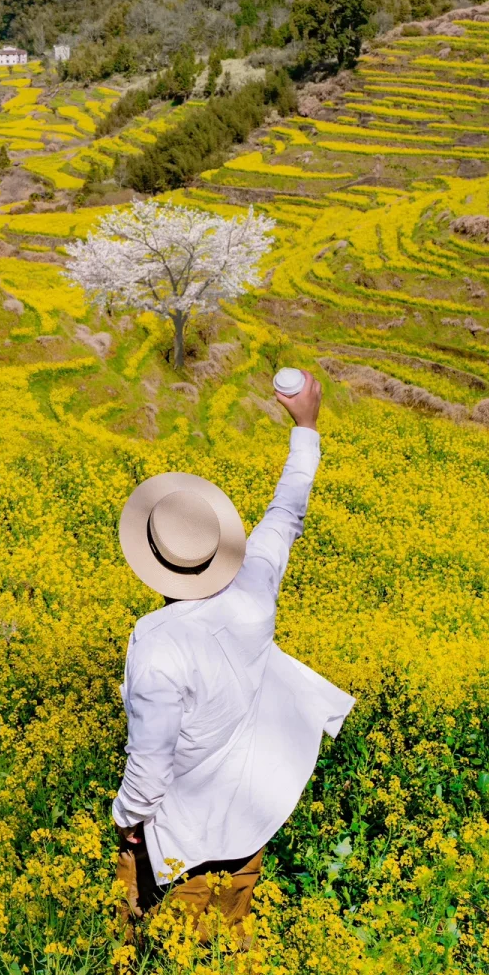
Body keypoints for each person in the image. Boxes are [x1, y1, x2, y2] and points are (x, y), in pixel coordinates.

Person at [113, 370, 354, 939]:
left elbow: (150, 764)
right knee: (229, 960)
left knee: (149, 962)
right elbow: (285, 514)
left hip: (181, 846)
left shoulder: (157, 643)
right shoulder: (253, 589)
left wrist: (127, 823)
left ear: (151, 559)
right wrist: (307, 426)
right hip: (247, 828)